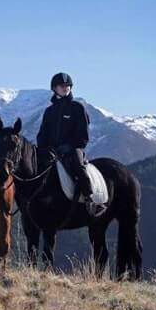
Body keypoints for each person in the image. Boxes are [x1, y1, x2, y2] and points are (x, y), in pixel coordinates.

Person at [36, 72, 99, 214]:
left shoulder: (77, 108)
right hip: (51, 152)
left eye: (67, 85)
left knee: (77, 164)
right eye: (61, 85)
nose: (65, 88)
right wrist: (43, 149)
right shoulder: (49, 111)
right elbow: (42, 134)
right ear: (54, 88)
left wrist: (69, 147)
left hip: (73, 149)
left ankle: (89, 197)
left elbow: (83, 135)